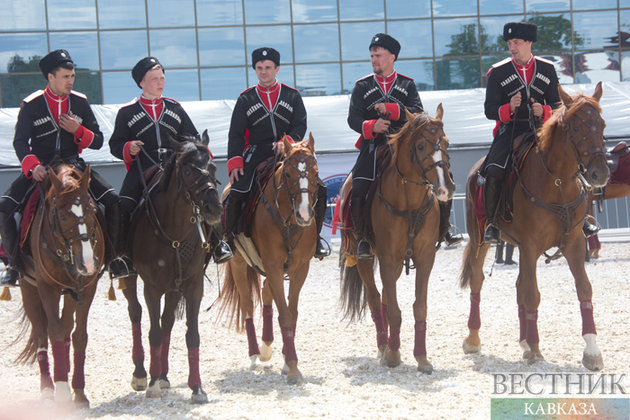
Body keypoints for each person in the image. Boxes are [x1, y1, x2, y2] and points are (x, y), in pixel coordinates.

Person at [0, 49, 126, 287]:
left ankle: (112, 259)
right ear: (50, 76)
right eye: (66, 76)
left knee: (112, 200)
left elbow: (98, 140)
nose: (70, 80)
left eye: (72, 76)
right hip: (42, 168)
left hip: (74, 165)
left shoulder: (79, 101)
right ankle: (13, 265)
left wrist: (77, 131)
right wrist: (32, 166)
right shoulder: (32, 104)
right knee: (5, 206)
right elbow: (19, 142)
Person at [109, 57, 232, 271]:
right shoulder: (126, 112)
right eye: (154, 79)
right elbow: (115, 144)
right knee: (124, 205)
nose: (160, 82)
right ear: (141, 83)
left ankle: (218, 244)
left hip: (175, 168)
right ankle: (123, 256)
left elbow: (193, 136)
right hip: (142, 170)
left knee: (205, 194)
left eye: (162, 78)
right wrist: (128, 147)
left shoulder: (175, 108)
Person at [347, 33, 462, 259]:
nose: (374, 60)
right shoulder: (362, 86)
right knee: (358, 187)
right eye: (372, 56)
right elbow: (353, 119)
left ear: (392, 57)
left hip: (406, 147)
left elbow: (418, 114)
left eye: (378, 55)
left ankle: (444, 228)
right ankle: (362, 240)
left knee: (442, 174)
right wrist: (372, 125)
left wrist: (394, 110)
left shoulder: (407, 84)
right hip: (374, 145)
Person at [223, 47, 329, 259]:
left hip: (289, 153)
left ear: (277, 68)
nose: (264, 72)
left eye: (268, 67)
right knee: (237, 193)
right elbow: (235, 134)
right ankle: (228, 242)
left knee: (321, 188)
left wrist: (287, 141)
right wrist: (235, 163)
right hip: (257, 153)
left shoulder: (292, 95)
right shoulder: (245, 99)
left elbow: (300, 125)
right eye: (259, 68)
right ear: (255, 70)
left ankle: (316, 239)